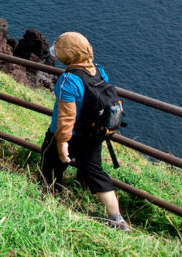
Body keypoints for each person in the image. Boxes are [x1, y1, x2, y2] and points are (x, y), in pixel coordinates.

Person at [41, 31, 129, 231]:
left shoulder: (68, 80)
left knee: (50, 166)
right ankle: (116, 219)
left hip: (67, 136)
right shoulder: (99, 71)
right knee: (96, 173)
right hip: (92, 135)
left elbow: (66, 117)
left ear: (68, 55)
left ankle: (49, 201)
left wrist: (62, 143)